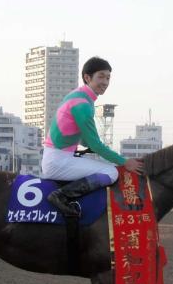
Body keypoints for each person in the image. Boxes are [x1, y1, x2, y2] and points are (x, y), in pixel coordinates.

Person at [42, 56, 143, 215]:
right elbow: (94, 144)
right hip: (57, 161)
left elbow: (85, 141)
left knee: (102, 165)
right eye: (101, 76)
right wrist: (124, 162)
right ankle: (61, 196)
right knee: (112, 172)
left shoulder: (78, 97)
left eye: (108, 77)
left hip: (59, 156)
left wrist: (98, 152)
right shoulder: (82, 104)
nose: (105, 82)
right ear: (87, 77)